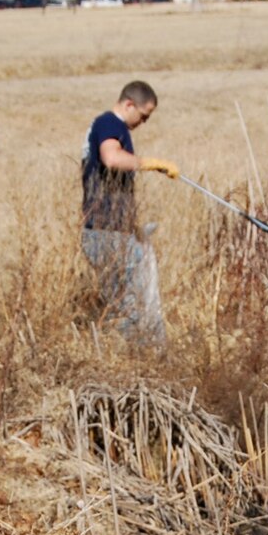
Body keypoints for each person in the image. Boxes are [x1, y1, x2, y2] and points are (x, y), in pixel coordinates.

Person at [81, 81, 175, 345]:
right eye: (143, 116)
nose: (143, 123)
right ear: (129, 104)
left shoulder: (106, 125)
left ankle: (137, 357)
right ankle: (135, 361)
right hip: (106, 231)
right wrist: (149, 163)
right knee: (129, 306)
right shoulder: (110, 123)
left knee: (129, 301)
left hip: (109, 230)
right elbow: (111, 158)